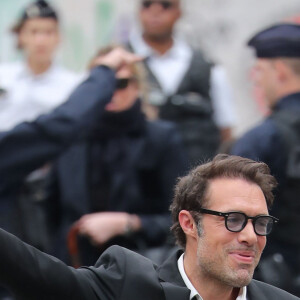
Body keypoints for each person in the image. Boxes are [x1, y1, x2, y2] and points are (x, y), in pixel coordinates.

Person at [0, 153, 299, 299]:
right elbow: (37, 274)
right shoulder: (130, 286)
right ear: (189, 223)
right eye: (233, 220)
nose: (250, 236)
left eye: (260, 223)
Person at [45, 46, 188, 265]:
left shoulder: (161, 138)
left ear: (136, 87)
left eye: (119, 83)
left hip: (139, 266)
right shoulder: (71, 138)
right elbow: (51, 211)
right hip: (74, 265)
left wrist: (129, 223)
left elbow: (184, 217)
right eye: (101, 82)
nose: (110, 90)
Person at [231, 23, 300, 291]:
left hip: (276, 282)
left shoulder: (263, 138)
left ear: (280, 70)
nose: (256, 79)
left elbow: (229, 214)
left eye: (259, 70)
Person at [127, 0, 236, 165]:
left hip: (195, 180)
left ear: (179, 11)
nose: (155, 12)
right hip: (140, 179)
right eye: (147, 4)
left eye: (165, 5)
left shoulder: (206, 67)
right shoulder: (120, 65)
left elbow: (226, 132)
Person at [0, 0, 81, 131]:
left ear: (59, 37)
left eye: (48, 32)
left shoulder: (73, 87)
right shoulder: (3, 77)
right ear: (21, 36)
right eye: (34, 32)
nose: (41, 41)